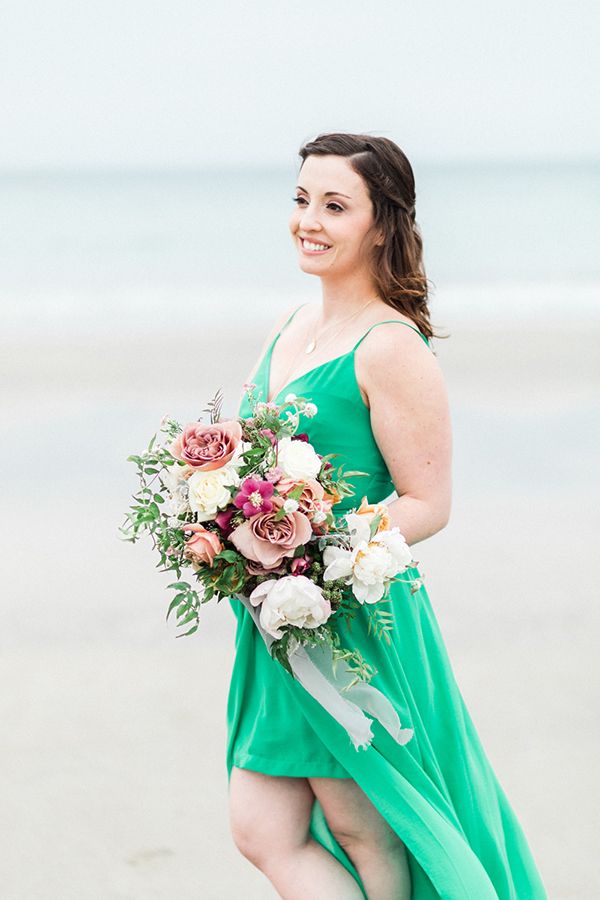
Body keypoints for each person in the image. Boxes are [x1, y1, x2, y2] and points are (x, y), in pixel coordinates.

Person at [226, 132, 547, 899]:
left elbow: (428, 501)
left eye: (335, 205)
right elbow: (245, 464)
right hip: (273, 619)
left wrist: (311, 554)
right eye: (303, 199)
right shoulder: (289, 326)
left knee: (363, 829)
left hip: (350, 619)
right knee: (260, 824)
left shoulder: (391, 346)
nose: (309, 219)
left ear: (381, 223)